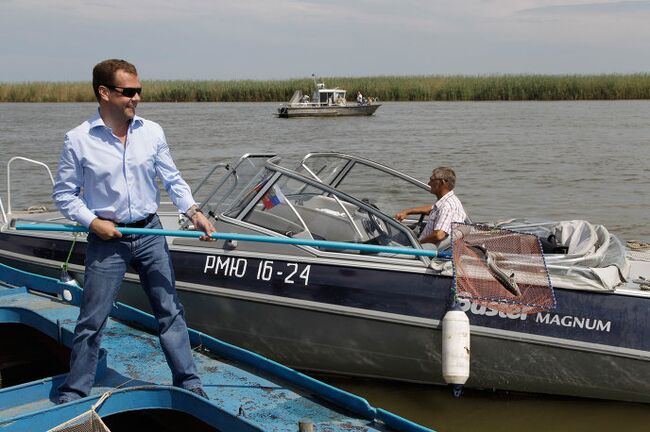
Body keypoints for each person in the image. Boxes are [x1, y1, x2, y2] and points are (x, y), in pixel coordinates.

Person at [53, 59, 217, 404]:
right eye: (129, 91)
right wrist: (93, 222)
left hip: (150, 234)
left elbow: (172, 179)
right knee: (92, 319)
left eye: (139, 90)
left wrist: (194, 212)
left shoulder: (152, 132)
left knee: (169, 311)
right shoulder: (78, 140)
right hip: (106, 239)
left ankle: (188, 382)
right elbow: (64, 195)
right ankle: (76, 391)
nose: (137, 98)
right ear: (104, 93)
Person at [395, 167, 467, 245]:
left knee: (385, 240)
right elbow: (432, 208)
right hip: (421, 247)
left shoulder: (448, 206)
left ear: (443, 182)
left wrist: (416, 244)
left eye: (432, 180)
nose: (429, 183)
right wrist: (407, 212)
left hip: (421, 251)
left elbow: (439, 235)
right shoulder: (446, 201)